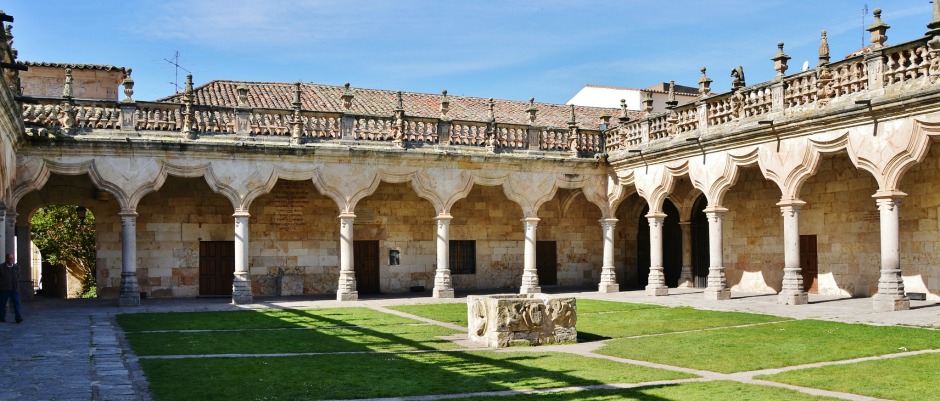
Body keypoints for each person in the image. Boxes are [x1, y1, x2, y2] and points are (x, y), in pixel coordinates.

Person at [0, 253, 23, 323]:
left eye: (12, 258)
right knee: (2, 304)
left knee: (16, 303)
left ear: (13, 259)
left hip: (14, 288)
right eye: (9, 258)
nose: (10, 260)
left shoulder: (16, 267)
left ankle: (18, 317)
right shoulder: (1, 267)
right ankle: (1, 318)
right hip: (4, 289)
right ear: (6, 259)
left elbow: (18, 276)